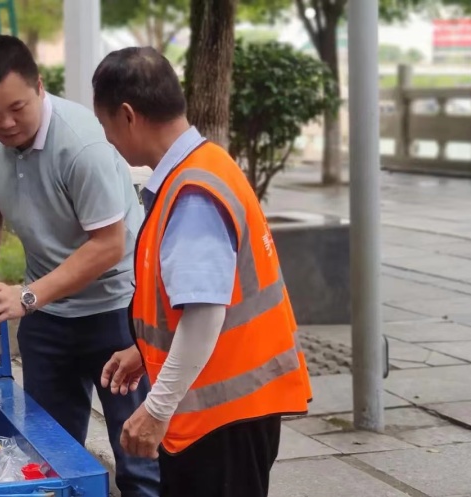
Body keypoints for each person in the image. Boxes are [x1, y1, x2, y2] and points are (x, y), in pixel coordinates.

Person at [93, 47, 313, 497]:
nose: (108, 139)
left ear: (128, 116)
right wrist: (144, 351)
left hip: (222, 420)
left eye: (105, 125)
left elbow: (205, 314)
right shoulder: (207, 164)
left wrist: (155, 409)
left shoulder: (192, 193)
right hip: (233, 410)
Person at [0, 35, 160, 497]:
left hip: (117, 310)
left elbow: (109, 245)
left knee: (138, 458)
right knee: (48, 457)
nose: (5, 123)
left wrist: (26, 296)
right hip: (47, 315)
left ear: (39, 87)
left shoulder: (81, 142)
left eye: (17, 108)